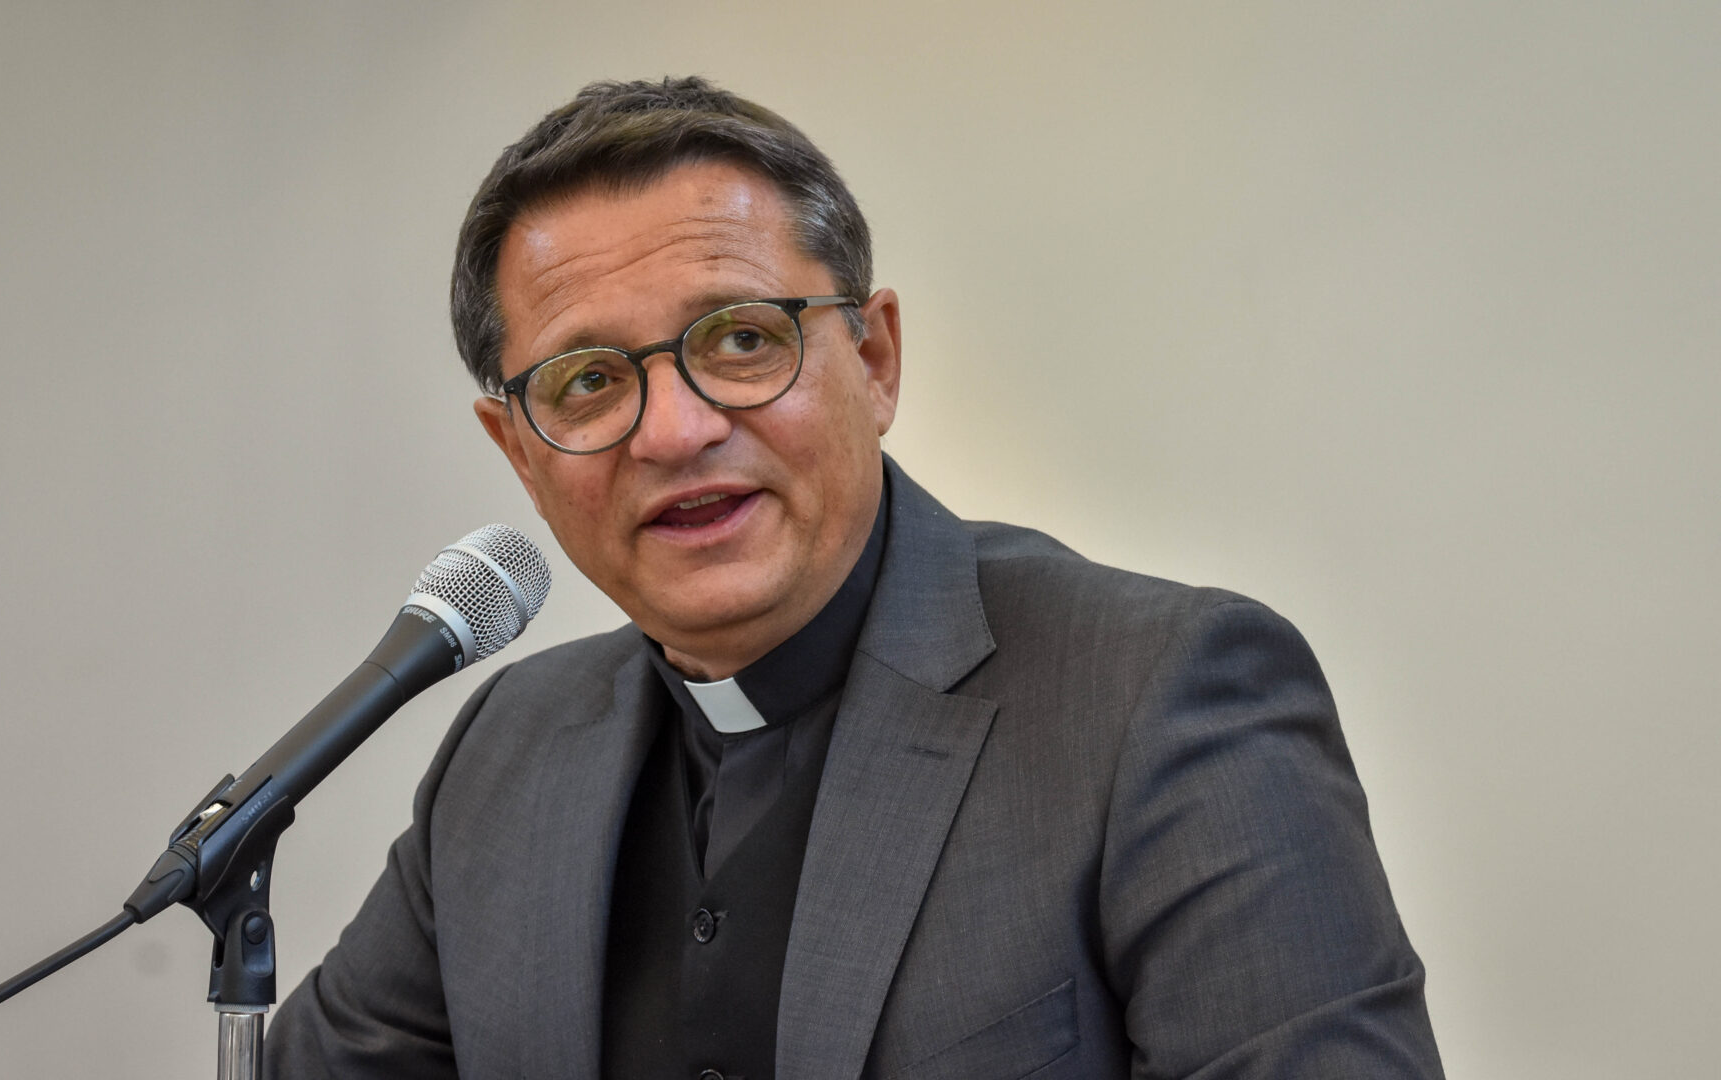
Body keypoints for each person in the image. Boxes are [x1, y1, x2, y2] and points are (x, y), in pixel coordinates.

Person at [264, 76, 1445, 1080]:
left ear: (873, 361)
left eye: (739, 339)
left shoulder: (1156, 698)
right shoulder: (508, 748)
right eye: (588, 381)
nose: (673, 431)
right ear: (519, 453)